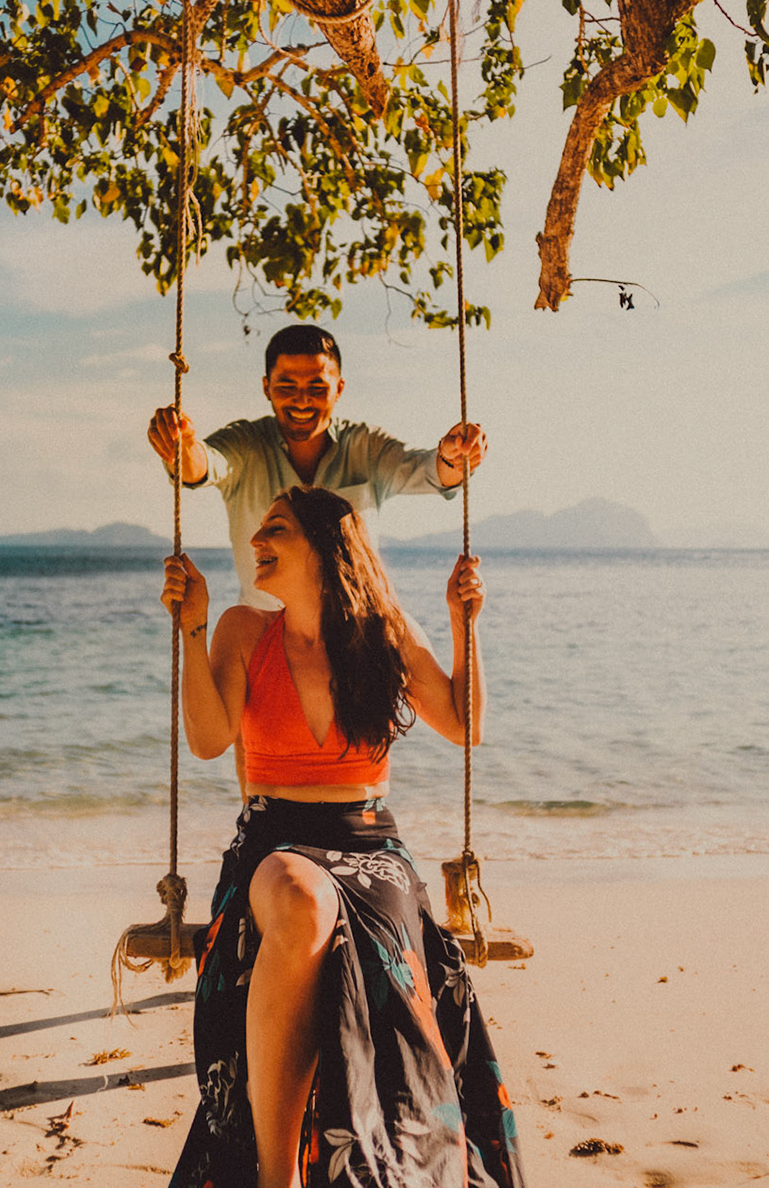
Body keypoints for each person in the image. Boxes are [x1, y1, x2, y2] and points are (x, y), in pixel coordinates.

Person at [159, 486, 524, 1188]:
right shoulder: (241, 629)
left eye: (276, 530)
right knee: (300, 898)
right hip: (273, 837)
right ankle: (277, 1177)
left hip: (371, 847)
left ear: (327, 547)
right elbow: (208, 741)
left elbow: (464, 724)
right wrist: (193, 628)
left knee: (364, 936)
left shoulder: (383, 632)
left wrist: (461, 623)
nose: (257, 540)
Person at [148, 323, 487, 609]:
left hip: (357, 644)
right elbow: (203, 465)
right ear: (266, 387)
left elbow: (430, 472)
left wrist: (454, 455)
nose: (302, 399)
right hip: (262, 647)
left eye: (317, 387)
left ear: (339, 389)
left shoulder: (365, 446)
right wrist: (180, 447)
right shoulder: (247, 443)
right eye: (286, 386)